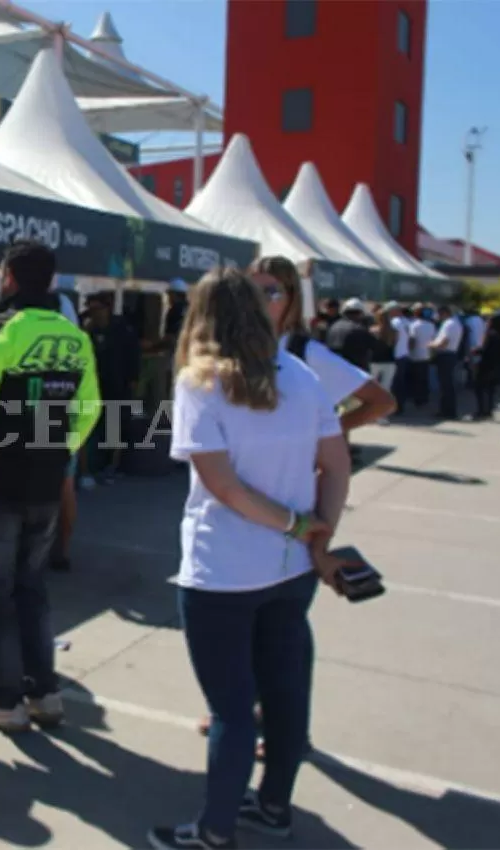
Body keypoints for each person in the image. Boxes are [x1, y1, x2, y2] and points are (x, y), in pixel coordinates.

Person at [148, 268, 352, 850]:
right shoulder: (304, 377)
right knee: (286, 696)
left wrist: (300, 528)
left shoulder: (197, 383)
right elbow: (337, 467)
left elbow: (225, 488)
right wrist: (317, 539)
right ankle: (274, 807)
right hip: (290, 574)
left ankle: (214, 831)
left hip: (224, 574)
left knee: (233, 711)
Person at [0, 239, 100, 733]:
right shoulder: (75, 337)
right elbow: (91, 409)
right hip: (47, 484)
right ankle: (45, 694)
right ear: (50, 281)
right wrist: (56, 451)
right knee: (32, 588)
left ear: (8, 277)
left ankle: (7, 701)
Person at [251, 258, 395, 429]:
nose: (257, 300)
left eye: (270, 292)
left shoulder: (306, 352)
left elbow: (382, 402)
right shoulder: (230, 346)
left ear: (291, 297)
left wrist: (324, 433)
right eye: (249, 291)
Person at [82, 291, 138, 484]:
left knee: (115, 429)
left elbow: (133, 357)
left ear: (106, 309)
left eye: (97, 308)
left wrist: (132, 381)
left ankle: (112, 467)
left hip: (118, 387)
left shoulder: (122, 329)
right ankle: (90, 467)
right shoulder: (88, 330)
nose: (93, 313)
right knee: (92, 428)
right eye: (91, 309)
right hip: (94, 388)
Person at [52, 286, 84, 574]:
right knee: (65, 485)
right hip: (69, 418)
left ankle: (51, 550)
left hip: (43, 416)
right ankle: (60, 551)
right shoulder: (78, 347)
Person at [428, 304, 464, 419]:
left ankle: (447, 411)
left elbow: (443, 342)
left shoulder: (449, 324)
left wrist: (430, 344)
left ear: (444, 313)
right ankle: (448, 410)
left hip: (445, 355)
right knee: (448, 384)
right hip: (451, 355)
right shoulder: (456, 323)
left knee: (445, 385)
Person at [472, 314, 500, 419]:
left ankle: (481, 410)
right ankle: (489, 410)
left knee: (479, 387)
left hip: (486, 364)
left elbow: (484, 350)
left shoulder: (490, 334)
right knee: (490, 389)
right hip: (497, 365)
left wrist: (475, 351)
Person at [325, 298, 375, 373]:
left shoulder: (333, 327)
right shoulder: (358, 329)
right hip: (354, 373)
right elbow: (375, 347)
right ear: (360, 314)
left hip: (334, 370)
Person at [367, 305, 399, 402]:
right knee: (387, 387)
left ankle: (373, 406)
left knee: (372, 386)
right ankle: (385, 409)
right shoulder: (394, 331)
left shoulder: (372, 330)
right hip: (390, 360)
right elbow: (395, 344)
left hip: (375, 360)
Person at [385, 301, 412, 412]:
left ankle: (395, 407)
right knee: (401, 383)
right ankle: (400, 406)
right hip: (404, 354)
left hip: (396, 355)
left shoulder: (395, 322)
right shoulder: (406, 321)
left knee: (394, 383)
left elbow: (393, 338)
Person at [407, 305, 436, 409]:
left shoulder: (413, 325)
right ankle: (424, 398)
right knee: (424, 378)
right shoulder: (431, 325)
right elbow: (433, 340)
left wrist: (409, 351)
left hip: (415, 355)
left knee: (416, 379)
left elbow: (412, 341)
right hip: (426, 354)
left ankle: (417, 399)